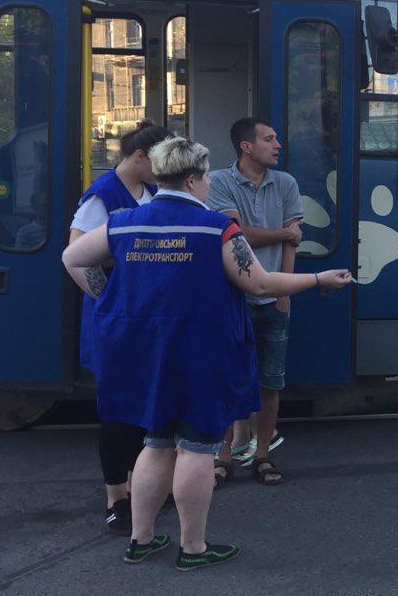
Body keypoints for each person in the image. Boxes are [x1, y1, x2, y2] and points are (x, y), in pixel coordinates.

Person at [61, 137, 352, 570]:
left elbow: (73, 257)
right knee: (197, 448)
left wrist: (109, 300)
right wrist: (318, 279)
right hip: (200, 354)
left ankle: (141, 540)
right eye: (206, 178)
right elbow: (260, 284)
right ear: (194, 178)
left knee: (156, 444)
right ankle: (193, 548)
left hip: (146, 355)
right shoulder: (217, 229)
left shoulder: (124, 222)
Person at [69, 120, 172, 534]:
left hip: (142, 319)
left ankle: (138, 487)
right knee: (116, 412)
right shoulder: (102, 195)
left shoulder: (148, 194)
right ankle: (116, 497)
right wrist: (106, 301)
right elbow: (76, 253)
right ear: (140, 157)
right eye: (159, 161)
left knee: (141, 409)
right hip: (115, 319)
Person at [207, 119, 303, 487]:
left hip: (272, 300)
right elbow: (237, 237)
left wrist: (283, 295)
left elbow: (292, 244)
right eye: (269, 138)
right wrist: (282, 233)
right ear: (246, 147)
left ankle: (262, 455)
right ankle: (224, 455)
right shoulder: (219, 182)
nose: (277, 144)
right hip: (232, 298)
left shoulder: (287, 184)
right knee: (229, 378)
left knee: (271, 381)